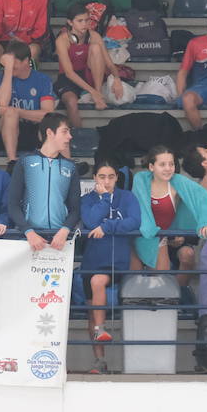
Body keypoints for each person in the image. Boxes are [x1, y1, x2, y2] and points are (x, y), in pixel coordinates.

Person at [79, 159, 141, 371]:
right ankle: (100, 360)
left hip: (116, 261)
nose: (107, 180)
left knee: (98, 282)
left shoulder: (127, 197)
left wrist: (108, 227)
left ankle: (100, 328)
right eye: (102, 176)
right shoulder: (87, 199)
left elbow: (134, 221)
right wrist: (104, 198)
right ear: (94, 178)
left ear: (117, 178)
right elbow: (90, 221)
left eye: (111, 177)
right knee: (91, 312)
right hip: (91, 260)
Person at [131, 145, 207, 281]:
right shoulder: (140, 179)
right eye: (162, 164)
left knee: (161, 285)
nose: (168, 168)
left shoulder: (178, 182)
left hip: (163, 238)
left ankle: (181, 294)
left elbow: (203, 198)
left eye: (171, 164)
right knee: (134, 283)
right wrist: (151, 232)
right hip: (139, 235)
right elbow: (141, 213)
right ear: (151, 167)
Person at [9, 113, 79, 252]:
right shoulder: (25, 162)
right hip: (29, 241)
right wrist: (28, 232)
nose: (70, 136)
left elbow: (75, 209)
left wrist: (65, 231)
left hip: (60, 241)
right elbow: (13, 204)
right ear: (49, 133)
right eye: (65, 131)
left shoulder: (70, 166)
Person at [52, 1, 112, 129]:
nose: (85, 24)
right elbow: (68, 73)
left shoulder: (94, 36)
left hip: (88, 75)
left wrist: (116, 78)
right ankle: (79, 135)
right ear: (70, 22)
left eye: (87, 20)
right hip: (68, 78)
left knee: (96, 48)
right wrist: (92, 92)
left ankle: (99, 92)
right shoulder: (62, 40)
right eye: (80, 21)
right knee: (71, 102)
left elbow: (109, 63)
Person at [0, 42, 58, 160]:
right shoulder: (3, 77)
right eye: (8, 63)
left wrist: (17, 111)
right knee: (10, 114)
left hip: (34, 129)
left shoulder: (42, 79)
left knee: (56, 125)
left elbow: (48, 113)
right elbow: (2, 103)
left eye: (13, 62)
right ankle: (12, 161)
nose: (11, 66)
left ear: (26, 61)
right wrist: (8, 71)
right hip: (8, 129)